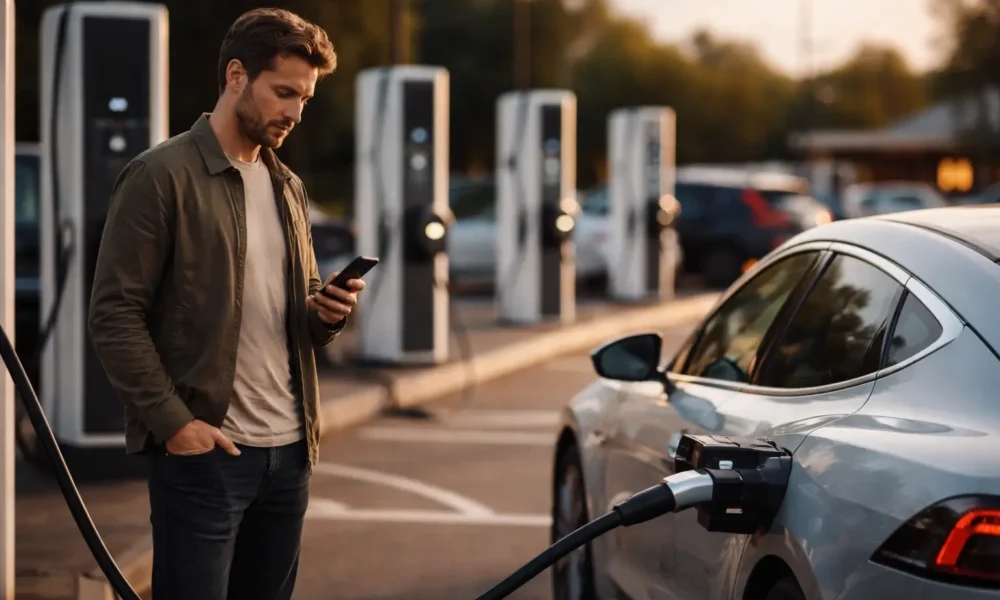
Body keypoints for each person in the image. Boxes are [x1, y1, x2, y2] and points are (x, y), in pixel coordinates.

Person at [87, 8, 359, 600]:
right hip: (206, 454)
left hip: (289, 454)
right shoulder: (160, 176)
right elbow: (114, 314)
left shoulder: (288, 186)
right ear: (237, 76)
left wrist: (325, 312)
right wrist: (174, 424)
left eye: (305, 98)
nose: (295, 112)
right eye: (284, 92)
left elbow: (298, 304)